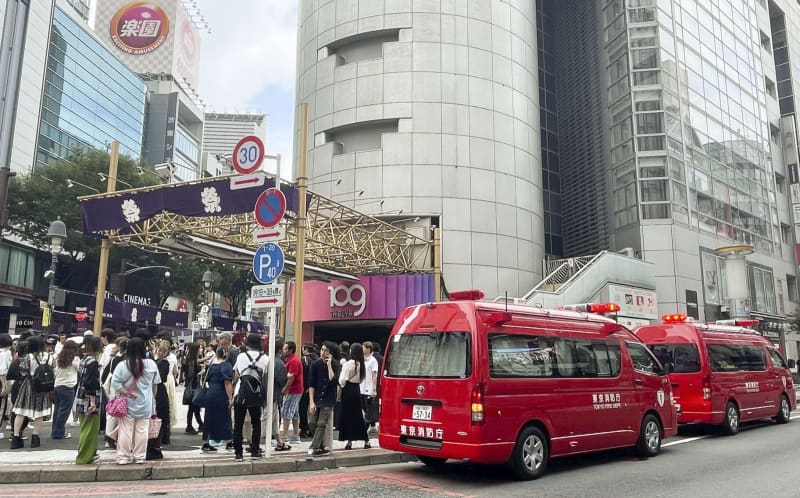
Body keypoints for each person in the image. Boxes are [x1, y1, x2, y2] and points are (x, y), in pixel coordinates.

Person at [110, 337, 161, 465]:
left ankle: (123, 457)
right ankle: (139, 456)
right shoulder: (151, 364)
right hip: (145, 402)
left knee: (125, 430)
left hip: (127, 403)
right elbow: (155, 384)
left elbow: (115, 383)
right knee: (142, 431)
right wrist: (153, 399)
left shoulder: (123, 365)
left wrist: (127, 392)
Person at [9, 336, 53, 450]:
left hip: (28, 386)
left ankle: (16, 438)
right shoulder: (49, 357)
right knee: (39, 413)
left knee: (21, 412)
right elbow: (53, 369)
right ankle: (35, 437)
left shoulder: (28, 357)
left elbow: (23, 371)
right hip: (43, 388)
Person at [232, 334, 268, 461]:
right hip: (256, 393)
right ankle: (255, 450)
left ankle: (238, 453)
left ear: (247, 344)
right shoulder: (265, 358)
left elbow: (236, 373)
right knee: (256, 423)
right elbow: (265, 375)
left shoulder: (241, 356)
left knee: (238, 424)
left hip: (240, 392)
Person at [306, 341, 341, 460]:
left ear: (331, 353)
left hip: (328, 398)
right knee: (311, 422)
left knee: (321, 423)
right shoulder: (315, 364)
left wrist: (330, 365)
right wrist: (311, 401)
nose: (323, 352)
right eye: (321, 350)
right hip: (316, 397)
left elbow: (333, 380)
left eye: (326, 350)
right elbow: (311, 384)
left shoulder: (336, 365)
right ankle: (320, 446)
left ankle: (313, 447)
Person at [75, 336, 102, 464]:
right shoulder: (93, 362)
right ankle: (85, 456)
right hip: (89, 398)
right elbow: (92, 382)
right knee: (90, 428)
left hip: (80, 395)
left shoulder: (83, 359)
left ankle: (88, 454)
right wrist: (92, 401)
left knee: (85, 426)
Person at [201, 346, 233, 453]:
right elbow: (227, 383)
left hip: (210, 392)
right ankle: (229, 440)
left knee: (209, 417)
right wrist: (230, 398)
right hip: (221, 393)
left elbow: (206, 379)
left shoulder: (212, 366)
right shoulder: (226, 366)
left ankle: (207, 441)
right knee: (225, 417)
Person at [338, 343, 370, 450]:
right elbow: (361, 379)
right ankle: (366, 441)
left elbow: (342, 380)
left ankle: (349, 441)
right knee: (358, 416)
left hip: (348, 391)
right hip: (356, 390)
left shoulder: (348, 364)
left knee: (348, 416)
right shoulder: (361, 364)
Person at [52, 340, 80, 440]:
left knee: (57, 410)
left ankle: (54, 431)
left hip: (57, 385)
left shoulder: (57, 357)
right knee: (64, 411)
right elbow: (78, 369)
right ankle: (59, 433)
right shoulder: (75, 359)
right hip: (68, 387)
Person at [281, 341, 303, 445]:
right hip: (296, 389)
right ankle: (295, 435)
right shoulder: (290, 360)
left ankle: (284, 436)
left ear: (290, 350)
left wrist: (285, 389)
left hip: (293, 389)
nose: (283, 350)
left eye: (285, 349)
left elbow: (291, 377)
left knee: (286, 410)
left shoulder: (293, 361)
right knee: (294, 412)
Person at [152, 340, 172, 446]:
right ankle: (162, 437)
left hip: (158, 389)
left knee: (160, 413)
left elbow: (161, 378)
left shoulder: (162, 362)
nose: (159, 352)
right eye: (159, 350)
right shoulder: (160, 362)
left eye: (161, 350)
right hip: (159, 389)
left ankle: (161, 437)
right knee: (161, 414)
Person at [181, 342, 204, 434]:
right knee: (194, 406)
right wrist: (201, 372)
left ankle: (197, 425)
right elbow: (191, 374)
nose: (201, 350)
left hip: (192, 385)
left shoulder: (191, 358)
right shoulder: (191, 360)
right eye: (200, 348)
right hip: (193, 386)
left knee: (193, 407)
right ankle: (195, 425)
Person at [298, 344, 318, 438]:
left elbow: (303, 374)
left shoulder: (304, 359)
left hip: (305, 387)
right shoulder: (318, 359)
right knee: (314, 409)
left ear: (306, 350)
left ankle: (304, 429)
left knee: (303, 409)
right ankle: (312, 429)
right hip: (317, 388)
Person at [361, 341, 380, 431]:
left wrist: (373, 389)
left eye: (364, 347)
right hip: (360, 388)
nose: (362, 349)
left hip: (368, 389)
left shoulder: (373, 361)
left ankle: (367, 427)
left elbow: (374, 375)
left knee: (368, 409)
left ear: (368, 349)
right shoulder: (361, 359)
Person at [0, 333, 13, 441]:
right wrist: (4, 386)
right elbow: (3, 371)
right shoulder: (5, 353)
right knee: (1, 407)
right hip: (2, 381)